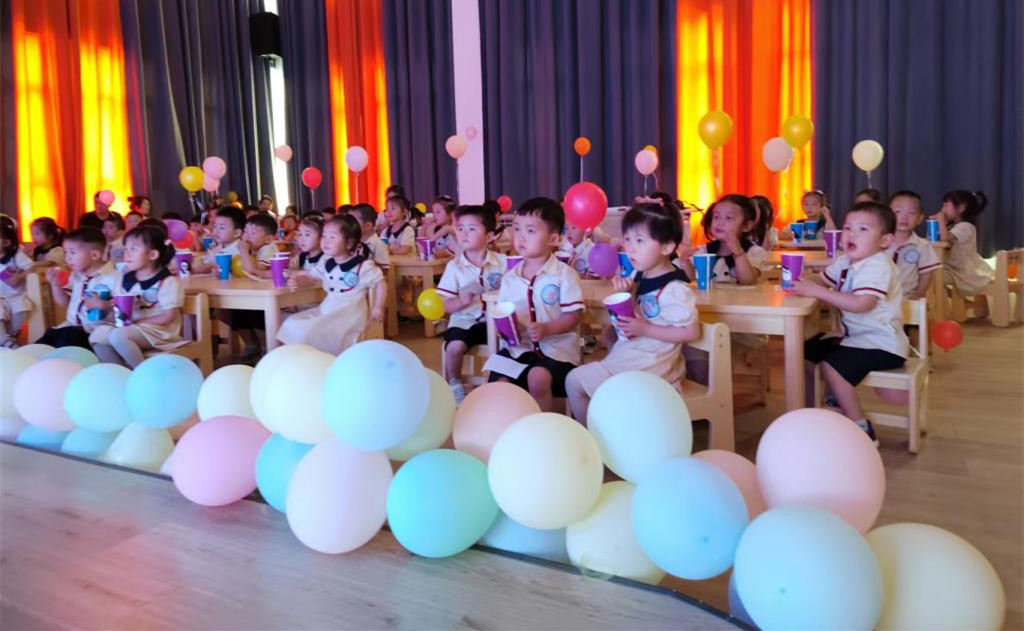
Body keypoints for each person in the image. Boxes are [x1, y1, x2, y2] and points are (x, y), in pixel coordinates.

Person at [565, 203, 700, 420]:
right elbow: (634, 318)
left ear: (666, 247)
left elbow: (691, 332)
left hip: (653, 365)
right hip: (634, 355)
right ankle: (603, 431)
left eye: (640, 241)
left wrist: (645, 328)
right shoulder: (640, 274)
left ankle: (591, 435)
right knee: (585, 375)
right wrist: (626, 295)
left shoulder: (675, 289)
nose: (630, 248)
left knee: (574, 381)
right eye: (627, 239)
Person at [788, 201, 909, 446]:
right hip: (856, 339)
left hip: (882, 344)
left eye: (863, 229)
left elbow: (861, 304)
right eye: (847, 228)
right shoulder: (847, 261)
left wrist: (816, 291)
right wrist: (799, 279)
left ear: (885, 241)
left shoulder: (877, 265)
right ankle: (816, 409)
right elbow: (823, 280)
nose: (851, 234)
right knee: (804, 352)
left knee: (833, 367)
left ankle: (860, 426)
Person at [487, 197, 584, 412]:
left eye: (530, 231)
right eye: (517, 229)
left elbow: (574, 315)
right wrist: (507, 330)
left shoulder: (564, 274)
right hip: (519, 350)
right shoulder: (509, 278)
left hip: (557, 352)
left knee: (537, 377)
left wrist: (547, 329)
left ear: (554, 239)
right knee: (499, 382)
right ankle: (510, 423)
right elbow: (504, 315)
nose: (520, 237)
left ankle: (544, 425)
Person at [277, 214, 386, 354]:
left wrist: (378, 307)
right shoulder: (326, 261)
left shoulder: (362, 266)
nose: (326, 241)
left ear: (349, 243)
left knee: (308, 329)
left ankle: (322, 357)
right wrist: (298, 281)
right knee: (292, 323)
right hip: (328, 309)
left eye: (332, 237)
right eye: (324, 236)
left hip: (349, 315)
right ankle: (303, 358)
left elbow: (380, 283)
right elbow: (311, 276)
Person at [437, 205, 507, 403]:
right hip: (465, 320)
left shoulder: (502, 263)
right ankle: (455, 383)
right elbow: (445, 305)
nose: (464, 234)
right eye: (460, 229)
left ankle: (501, 386)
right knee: (454, 347)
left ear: (489, 236)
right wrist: (459, 301)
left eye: (471, 229)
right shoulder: (454, 267)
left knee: (512, 346)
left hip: (495, 322)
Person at [90, 225, 185, 367]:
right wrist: (110, 306)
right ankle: (120, 372)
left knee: (119, 336)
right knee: (98, 336)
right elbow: (119, 308)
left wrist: (138, 322)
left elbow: (168, 317)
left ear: (152, 255)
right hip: (132, 328)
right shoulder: (126, 280)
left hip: (159, 332)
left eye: (133, 249)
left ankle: (140, 372)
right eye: (126, 249)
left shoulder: (167, 281)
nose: (127, 254)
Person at [36, 228, 119, 349]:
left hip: (93, 335)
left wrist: (106, 305)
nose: (68, 258)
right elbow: (65, 303)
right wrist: (55, 284)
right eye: (66, 252)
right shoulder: (76, 276)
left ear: (94, 255)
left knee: (63, 346)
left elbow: (127, 310)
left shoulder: (114, 277)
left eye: (72, 252)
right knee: (41, 344)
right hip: (70, 327)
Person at [677, 194, 766, 285]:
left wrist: (738, 252)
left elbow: (747, 281)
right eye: (716, 217)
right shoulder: (704, 250)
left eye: (728, 218)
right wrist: (685, 263)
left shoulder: (754, 252)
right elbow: (693, 278)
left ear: (746, 226)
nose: (720, 222)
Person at [932, 190, 994, 299]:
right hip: (955, 269)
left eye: (946, 205)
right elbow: (935, 239)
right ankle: (940, 304)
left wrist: (940, 221)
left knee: (933, 276)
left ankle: (939, 306)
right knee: (930, 272)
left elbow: (944, 238)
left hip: (965, 272)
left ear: (960, 208)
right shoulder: (953, 227)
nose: (942, 210)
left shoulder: (966, 226)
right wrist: (936, 224)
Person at [886, 190, 941, 298]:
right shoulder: (877, 242)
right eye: (898, 211)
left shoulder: (923, 246)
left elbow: (926, 274)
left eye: (911, 213)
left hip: (907, 298)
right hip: (878, 298)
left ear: (919, 219)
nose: (904, 217)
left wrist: (919, 295)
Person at [0, 222, 35, 348]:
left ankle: (12, 335)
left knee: (22, 310)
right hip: (0, 298)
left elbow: (31, 267)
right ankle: (3, 341)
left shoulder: (15, 256)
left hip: (16, 295)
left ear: (6, 243)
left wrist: (19, 276)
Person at [194, 206, 245, 274]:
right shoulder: (218, 248)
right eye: (215, 226)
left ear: (237, 233)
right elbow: (206, 262)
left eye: (222, 228)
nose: (216, 231)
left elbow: (234, 268)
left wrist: (210, 266)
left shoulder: (240, 249)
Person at [350, 204, 390, 269]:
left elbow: (384, 269)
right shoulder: (353, 243)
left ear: (368, 226)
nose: (348, 225)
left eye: (353, 222)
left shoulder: (379, 244)